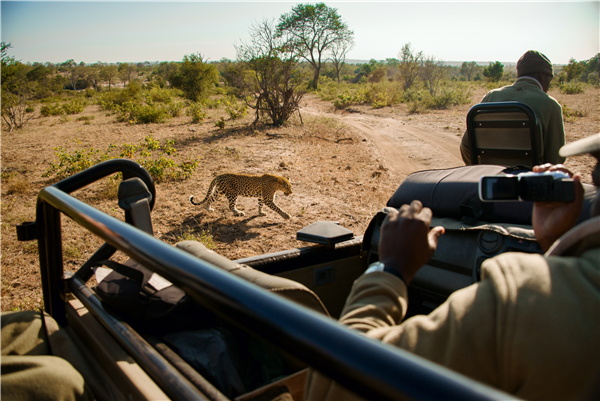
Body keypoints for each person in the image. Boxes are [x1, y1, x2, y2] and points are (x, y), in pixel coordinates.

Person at [306, 133, 600, 400]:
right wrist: (553, 243)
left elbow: (333, 386)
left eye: (596, 178)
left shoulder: (519, 302)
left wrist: (390, 268)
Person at [460, 50, 566, 166]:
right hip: (527, 181)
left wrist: (480, 169)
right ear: (542, 75)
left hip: (491, 177)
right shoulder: (551, 105)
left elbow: (466, 146)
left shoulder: (491, 96)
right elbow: (555, 159)